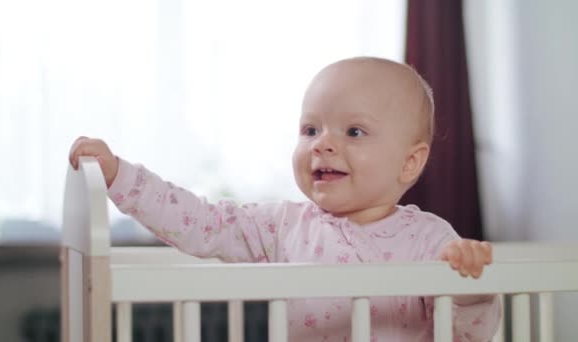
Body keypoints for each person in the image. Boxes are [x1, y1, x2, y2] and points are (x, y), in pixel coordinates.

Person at [69, 56, 500, 341]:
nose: (322, 144)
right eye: (310, 129)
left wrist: (467, 289)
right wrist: (120, 176)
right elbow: (200, 222)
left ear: (409, 163)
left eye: (354, 131)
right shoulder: (282, 226)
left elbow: (466, 334)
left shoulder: (430, 241)